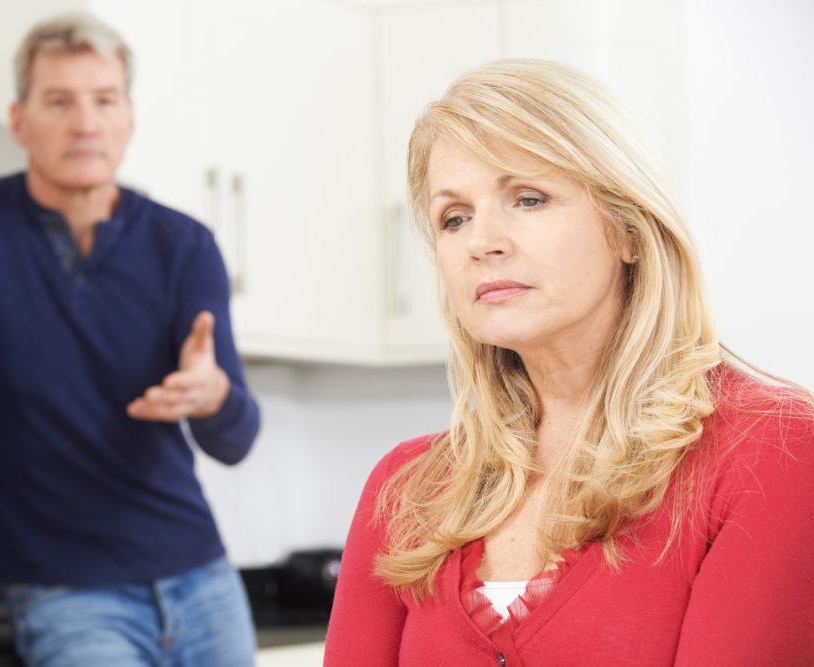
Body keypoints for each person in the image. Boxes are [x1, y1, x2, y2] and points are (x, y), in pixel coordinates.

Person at [324, 59, 814, 665]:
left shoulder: (774, 450)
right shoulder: (406, 488)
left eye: (528, 199)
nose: (482, 242)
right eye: (454, 217)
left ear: (628, 229)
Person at [0, 13, 260, 667]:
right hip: (67, 597)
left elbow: (235, 441)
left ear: (129, 117)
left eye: (104, 99)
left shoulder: (184, 245)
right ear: (19, 120)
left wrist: (213, 396)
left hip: (206, 581)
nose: (85, 122)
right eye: (59, 101)